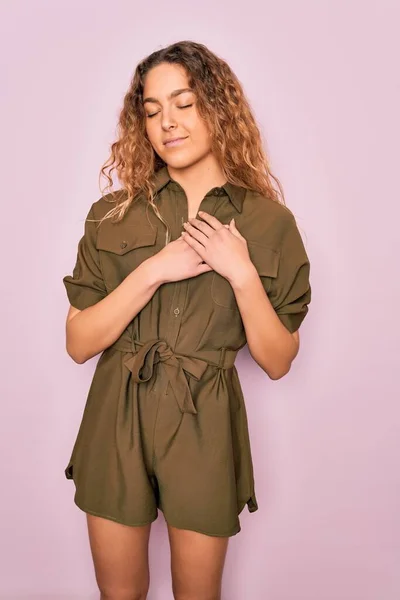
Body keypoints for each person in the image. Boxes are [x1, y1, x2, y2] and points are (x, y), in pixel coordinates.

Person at [62, 40, 312, 600]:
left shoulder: (269, 223)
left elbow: (277, 360)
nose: (166, 123)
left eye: (184, 104)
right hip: (116, 415)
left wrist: (241, 273)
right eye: (151, 111)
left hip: (205, 421)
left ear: (217, 108)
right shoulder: (114, 212)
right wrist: (152, 270)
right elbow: (79, 342)